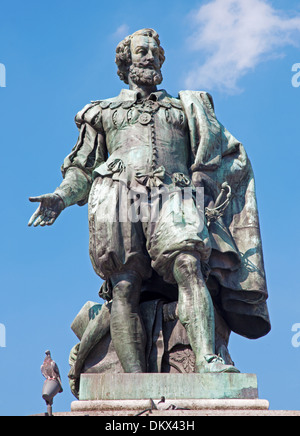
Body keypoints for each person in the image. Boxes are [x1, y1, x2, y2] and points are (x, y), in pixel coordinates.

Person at [29, 28, 270, 374]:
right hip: (117, 198)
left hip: (174, 194)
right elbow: (82, 170)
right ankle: (134, 380)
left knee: (189, 264)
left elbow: (222, 157)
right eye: (141, 51)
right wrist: (59, 197)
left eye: (155, 52)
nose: (149, 56)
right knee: (124, 286)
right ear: (126, 61)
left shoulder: (186, 108)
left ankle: (207, 359)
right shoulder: (102, 112)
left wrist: (204, 186)